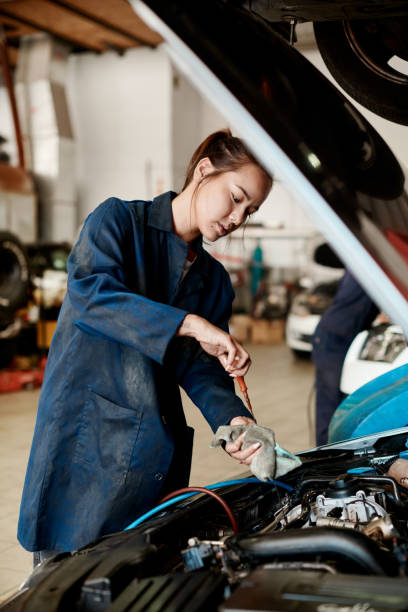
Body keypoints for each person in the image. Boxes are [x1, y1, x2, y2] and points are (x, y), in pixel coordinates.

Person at [18, 129, 272, 562]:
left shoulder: (213, 280)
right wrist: (190, 324)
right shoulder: (116, 222)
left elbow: (201, 369)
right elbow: (91, 298)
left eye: (250, 210)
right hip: (86, 443)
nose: (237, 218)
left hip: (152, 451)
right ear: (204, 170)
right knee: (65, 582)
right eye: (235, 197)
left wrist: (234, 421)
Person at [312, 270, 379, 446]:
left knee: (343, 401)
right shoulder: (367, 265)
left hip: (347, 337)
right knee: (330, 402)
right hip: (333, 338)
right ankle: (327, 455)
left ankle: (341, 448)